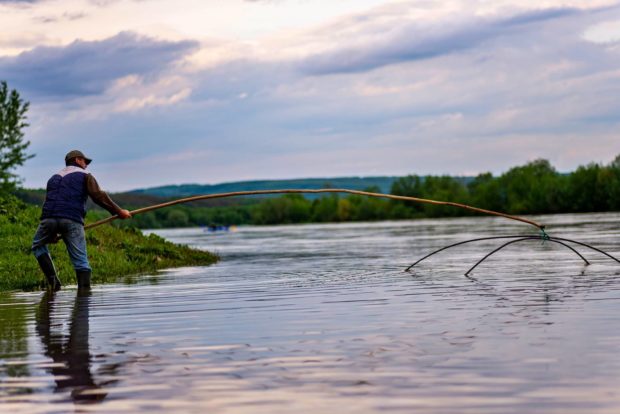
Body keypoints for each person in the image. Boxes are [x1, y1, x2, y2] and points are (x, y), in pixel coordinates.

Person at [31, 150, 131, 290]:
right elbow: (98, 196)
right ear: (77, 160)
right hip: (72, 220)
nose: (86, 165)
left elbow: (49, 201)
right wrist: (119, 212)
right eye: (85, 161)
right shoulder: (85, 176)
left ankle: (54, 285)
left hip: (48, 219)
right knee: (81, 262)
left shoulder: (53, 178)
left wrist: (51, 232)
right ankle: (83, 298)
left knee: (37, 246)